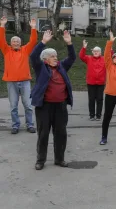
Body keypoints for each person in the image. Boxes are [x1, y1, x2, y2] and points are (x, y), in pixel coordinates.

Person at [30, 30, 76, 170]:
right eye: (52, 56)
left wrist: (69, 43)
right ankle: (40, 160)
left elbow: (72, 57)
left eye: (56, 56)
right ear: (45, 59)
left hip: (60, 106)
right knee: (43, 133)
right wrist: (43, 42)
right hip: (44, 106)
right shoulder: (41, 67)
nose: (55, 58)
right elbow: (33, 56)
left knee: (61, 133)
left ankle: (59, 159)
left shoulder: (62, 66)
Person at [0, 16, 37, 134]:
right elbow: (1, 40)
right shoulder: (6, 50)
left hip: (25, 81)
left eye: (17, 41)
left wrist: (33, 28)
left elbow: (33, 41)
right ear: (10, 43)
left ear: (21, 43)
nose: (15, 43)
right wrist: (2, 26)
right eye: (13, 41)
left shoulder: (25, 50)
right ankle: (15, 125)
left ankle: (30, 124)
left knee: (28, 105)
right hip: (11, 82)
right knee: (13, 106)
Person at [79, 40, 106, 121]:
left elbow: (110, 56)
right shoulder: (89, 58)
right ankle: (91, 115)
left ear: (100, 52)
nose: (96, 52)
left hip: (101, 83)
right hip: (91, 83)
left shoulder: (104, 59)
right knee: (91, 99)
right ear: (92, 52)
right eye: (94, 51)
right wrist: (84, 47)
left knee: (100, 99)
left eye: (97, 51)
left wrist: (110, 48)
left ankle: (98, 115)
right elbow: (81, 56)